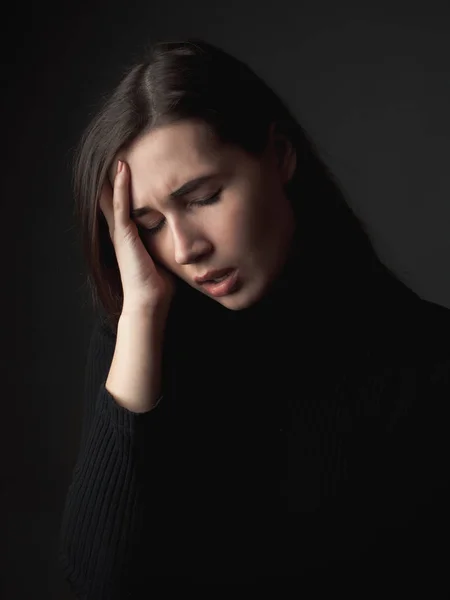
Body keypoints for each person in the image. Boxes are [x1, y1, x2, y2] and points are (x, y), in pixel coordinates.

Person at [58, 38, 450, 592]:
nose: (184, 247)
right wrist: (141, 315)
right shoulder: (142, 346)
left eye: (201, 197)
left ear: (280, 156)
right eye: (149, 224)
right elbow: (93, 585)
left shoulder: (426, 361)